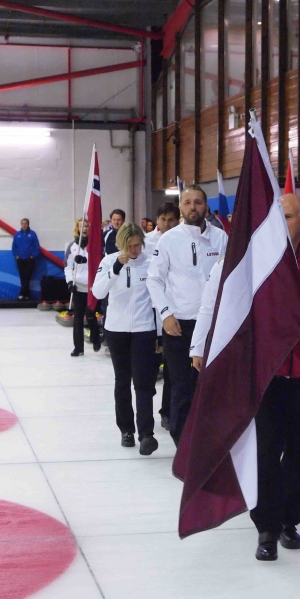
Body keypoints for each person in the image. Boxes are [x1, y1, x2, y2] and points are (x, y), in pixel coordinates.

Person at [190, 194, 300, 561]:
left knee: (297, 452)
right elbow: (238, 312)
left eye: (289, 216)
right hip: (267, 375)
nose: (282, 223)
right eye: (277, 217)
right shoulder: (258, 263)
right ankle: (266, 527)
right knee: (265, 452)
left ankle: (289, 522)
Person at [147, 183, 228, 446]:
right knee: (181, 386)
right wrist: (165, 314)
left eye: (198, 202)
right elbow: (154, 279)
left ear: (206, 207)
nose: (193, 207)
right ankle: (182, 445)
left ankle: (207, 442)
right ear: (180, 207)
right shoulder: (169, 239)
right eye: (187, 202)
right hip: (179, 325)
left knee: (210, 387)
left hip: (213, 326)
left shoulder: (221, 238)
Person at [93, 223, 160, 454]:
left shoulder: (151, 263)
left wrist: (159, 333)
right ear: (121, 244)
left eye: (137, 245)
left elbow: (157, 299)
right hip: (116, 330)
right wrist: (115, 268)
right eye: (130, 246)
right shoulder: (108, 261)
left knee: (143, 382)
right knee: (122, 381)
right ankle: (126, 430)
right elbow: (98, 292)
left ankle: (146, 434)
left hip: (144, 329)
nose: (134, 250)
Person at [144, 201, 181, 430]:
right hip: (148, 312)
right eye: (163, 219)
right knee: (148, 370)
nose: (167, 224)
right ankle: (145, 415)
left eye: (171, 220)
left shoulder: (181, 241)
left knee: (171, 369)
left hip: (172, 312)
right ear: (157, 220)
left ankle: (167, 411)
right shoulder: (146, 242)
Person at [64, 218, 101, 357]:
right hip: (78, 286)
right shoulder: (72, 246)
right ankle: (78, 348)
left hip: (92, 286)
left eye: (86, 226)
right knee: (78, 318)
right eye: (82, 226)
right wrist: (70, 282)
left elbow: (100, 263)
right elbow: (67, 267)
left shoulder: (95, 245)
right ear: (78, 228)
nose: (84, 228)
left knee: (91, 315)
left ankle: (96, 338)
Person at [12, 218, 40, 300]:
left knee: (27, 277)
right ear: (21, 224)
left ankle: (21, 294)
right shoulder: (17, 234)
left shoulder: (32, 234)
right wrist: (16, 255)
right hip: (20, 259)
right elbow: (14, 247)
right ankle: (27, 295)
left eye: (25, 223)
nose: (24, 225)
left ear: (28, 224)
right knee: (22, 277)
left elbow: (36, 247)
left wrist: (32, 256)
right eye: (22, 223)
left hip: (29, 260)